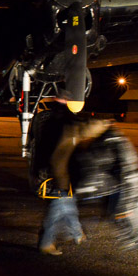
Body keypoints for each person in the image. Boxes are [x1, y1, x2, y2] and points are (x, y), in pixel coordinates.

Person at [32, 91, 109, 255]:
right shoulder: (66, 121)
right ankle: (48, 242)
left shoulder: (48, 121)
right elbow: (84, 130)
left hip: (56, 173)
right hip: (63, 175)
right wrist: (103, 125)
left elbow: (41, 148)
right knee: (59, 209)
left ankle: (76, 233)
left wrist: (38, 169)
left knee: (67, 205)